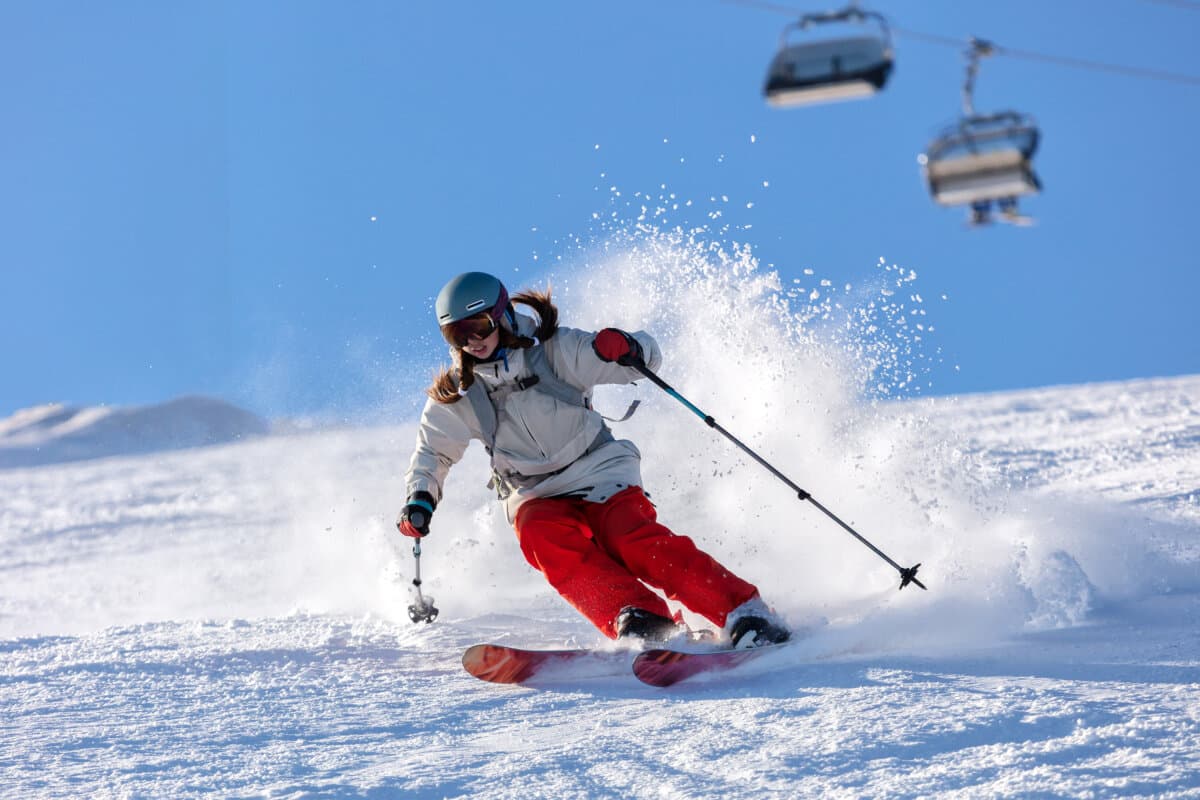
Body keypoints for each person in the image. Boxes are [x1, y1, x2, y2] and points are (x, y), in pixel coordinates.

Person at [397, 271, 790, 648]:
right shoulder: (459, 392)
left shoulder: (554, 351)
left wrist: (625, 348)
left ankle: (743, 611)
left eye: (479, 326)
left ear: (502, 317)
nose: (472, 341)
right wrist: (420, 497)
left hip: (598, 470)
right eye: (457, 333)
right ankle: (640, 617)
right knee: (541, 537)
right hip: (533, 491)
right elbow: (433, 451)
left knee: (630, 538)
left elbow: (646, 359)